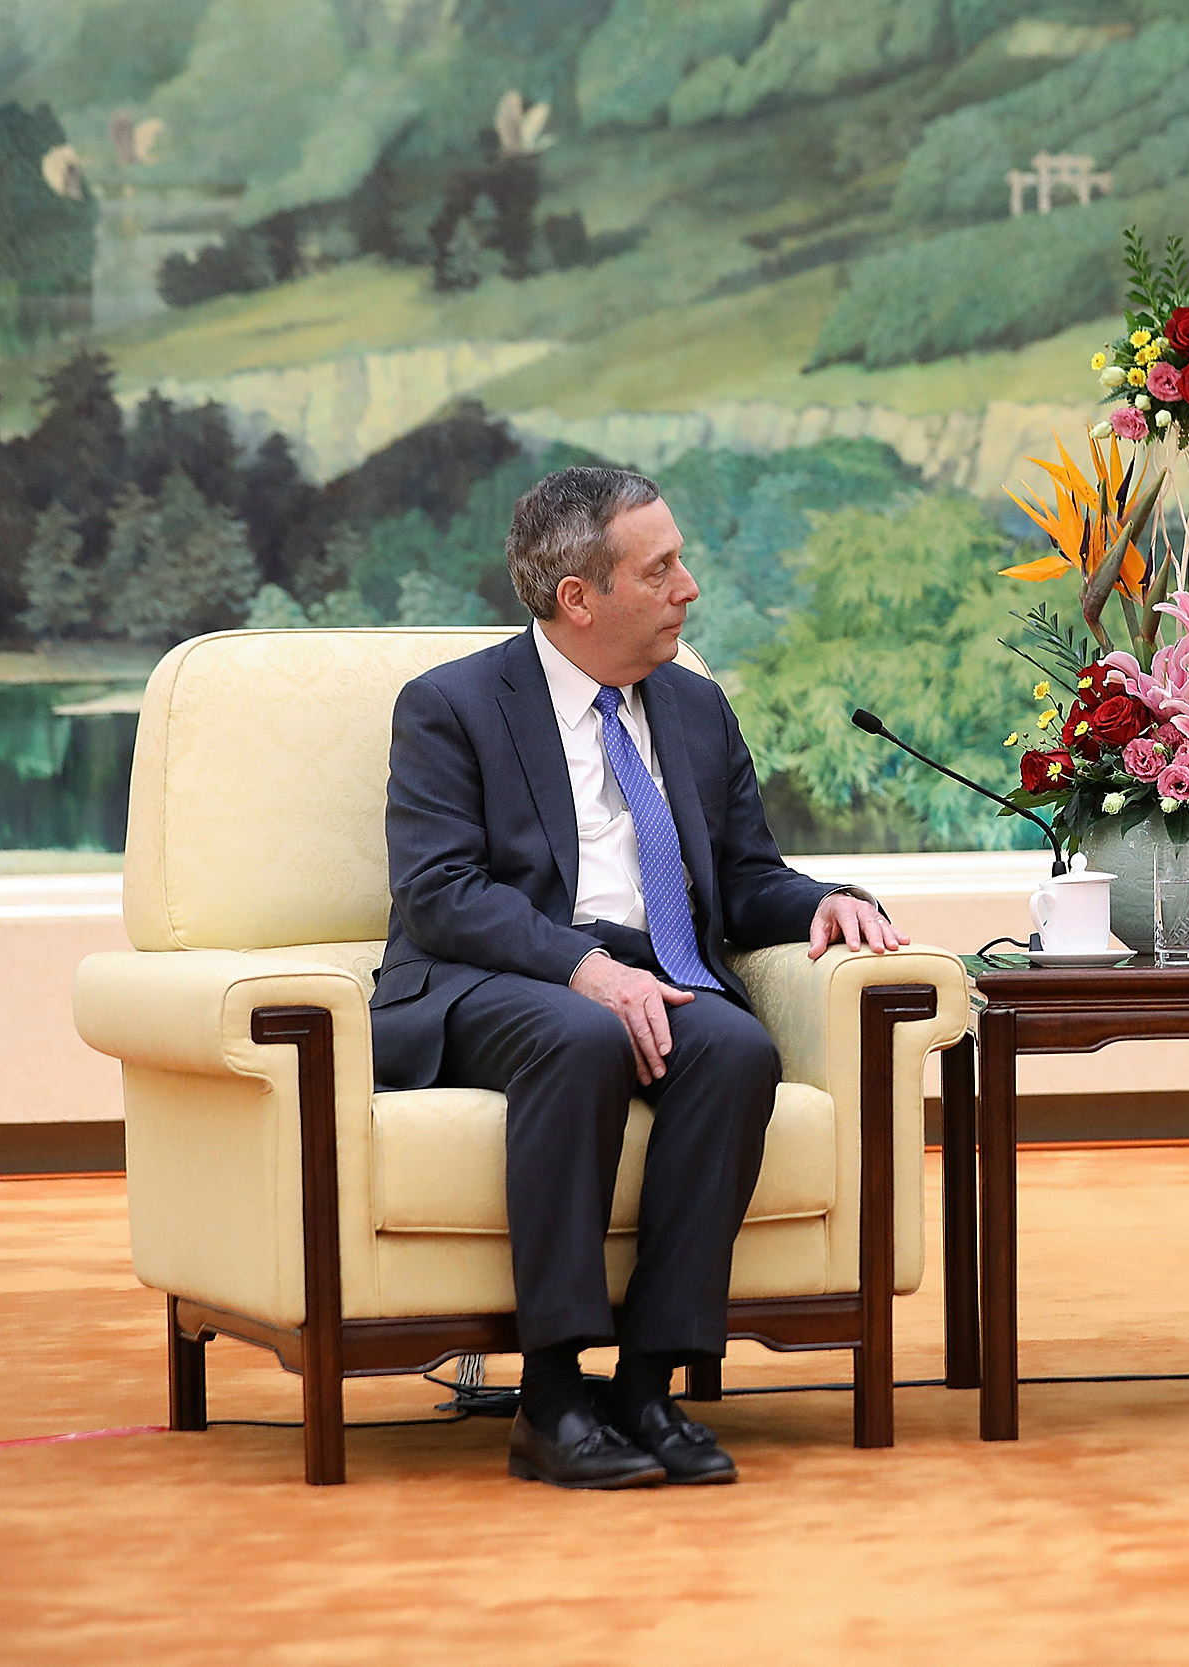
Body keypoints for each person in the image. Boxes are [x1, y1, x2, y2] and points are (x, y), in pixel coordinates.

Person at [371, 466, 908, 1490]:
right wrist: (581, 966)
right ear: (579, 597)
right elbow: (440, 893)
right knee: (581, 1033)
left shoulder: (696, 708)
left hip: (655, 966)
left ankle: (650, 1383)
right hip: (493, 972)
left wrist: (822, 900)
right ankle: (553, 1395)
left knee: (737, 1048)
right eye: (660, 568)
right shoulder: (453, 705)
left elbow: (744, 877)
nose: (688, 587)